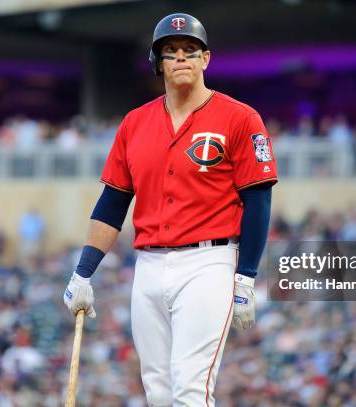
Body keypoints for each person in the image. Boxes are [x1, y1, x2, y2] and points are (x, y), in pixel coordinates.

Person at [63, 12, 278, 407]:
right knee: (158, 391)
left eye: (190, 50)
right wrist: (83, 272)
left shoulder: (240, 118)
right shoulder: (135, 122)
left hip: (209, 262)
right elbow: (112, 203)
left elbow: (259, 201)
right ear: (157, 62)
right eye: (170, 51)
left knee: (190, 387)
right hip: (148, 266)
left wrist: (246, 277)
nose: (181, 57)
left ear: (206, 59)